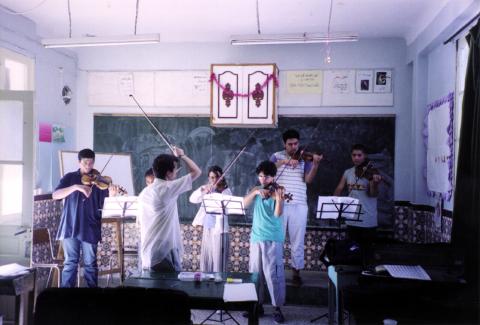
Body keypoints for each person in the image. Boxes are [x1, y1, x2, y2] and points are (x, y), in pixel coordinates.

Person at [53, 148, 121, 287]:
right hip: (70, 226)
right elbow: (55, 195)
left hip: (90, 226)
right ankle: (66, 299)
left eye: (91, 163)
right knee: (70, 263)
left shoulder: (99, 181)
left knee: (90, 264)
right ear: (79, 162)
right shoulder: (69, 178)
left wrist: (112, 195)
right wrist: (76, 187)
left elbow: (106, 206)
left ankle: (92, 298)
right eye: (85, 163)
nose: (88, 166)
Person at [270, 129, 322, 286]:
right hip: (279, 203)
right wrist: (285, 162)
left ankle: (296, 272)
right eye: (290, 144)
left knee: (297, 241)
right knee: (276, 239)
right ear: (284, 144)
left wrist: (315, 165)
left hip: (299, 204)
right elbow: (268, 170)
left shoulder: (304, 159)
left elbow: (308, 180)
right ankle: (275, 271)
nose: (294, 147)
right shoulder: (276, 156)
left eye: (296, 144)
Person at [138, 147, 201, 272]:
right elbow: (197, 172)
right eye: (175, 170)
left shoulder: (144, 192)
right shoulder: (168, 188)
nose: (176, 172)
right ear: (168, 173)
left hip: (147, 250)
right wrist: (182, 155)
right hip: (164, 251)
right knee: (169, 288)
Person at [243, 160, 286, 323]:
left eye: (266, 177)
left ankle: (277, 308)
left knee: (273, 274)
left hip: (273, 237)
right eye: (260, 176)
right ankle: (257, 305)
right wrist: (255, 193)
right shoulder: (256, 189)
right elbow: (243, 204)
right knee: (255, 274)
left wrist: (279, 199)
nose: (263, 179)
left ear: (273, 176)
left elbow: (277, 214)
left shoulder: (280, 190)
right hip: (256, 237)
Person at [333, 144, 382, 264]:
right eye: (354, 155)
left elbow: (373, 194)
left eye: (359, 155)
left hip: (368, 220)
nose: (356, 158)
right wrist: (335, 202)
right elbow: (339, 188)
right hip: (352, 219)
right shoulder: (348, 172)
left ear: (364, 156)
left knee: (367, 255)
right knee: (352, 253)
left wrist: (374, 183)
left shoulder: (371, 173)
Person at [190, 165, 232, 272]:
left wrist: (215, 194)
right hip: (207, 228)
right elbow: (193, 199)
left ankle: (218, 283)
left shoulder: (226, 191)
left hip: (220, 231)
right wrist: (203, 190)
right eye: (210, 177)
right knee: (206, 260)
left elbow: (227, 209)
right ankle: (206, 283)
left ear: (221, 177)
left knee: (218, 262)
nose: (213, 180)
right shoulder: (207, 188)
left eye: (215, 177)